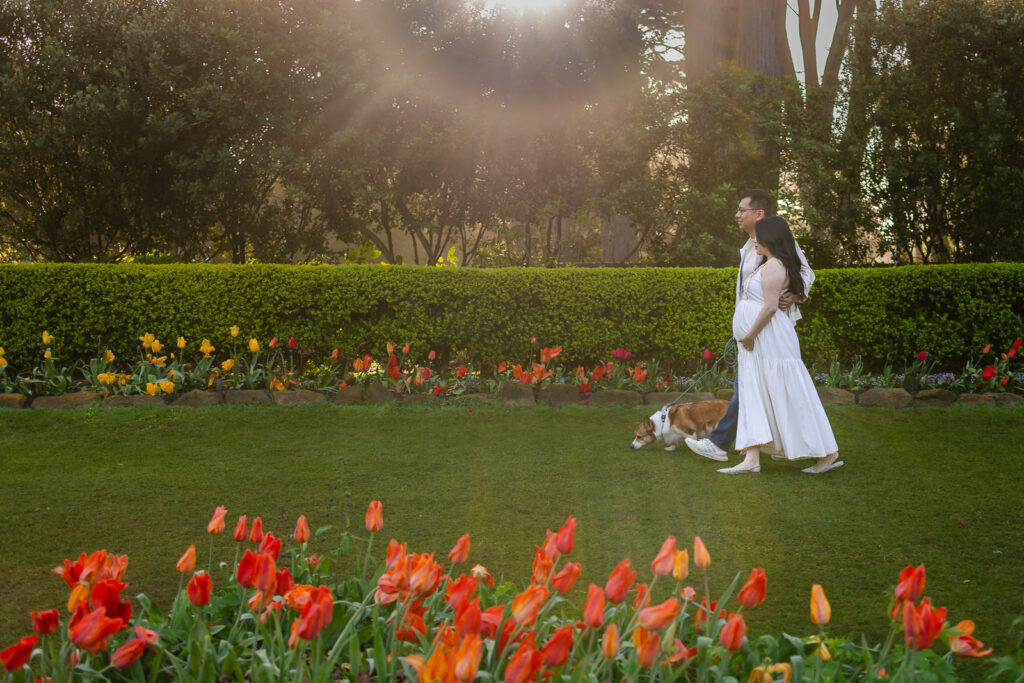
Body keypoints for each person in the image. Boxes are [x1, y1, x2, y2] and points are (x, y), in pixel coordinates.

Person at [683, 190, 816, 466]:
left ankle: (721, 444)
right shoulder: (748, 247)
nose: (737, 215)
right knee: (752, 388)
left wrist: (794, 296)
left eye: (742, 210)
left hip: (766, 332)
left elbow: (805, 274)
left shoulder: (780, 244)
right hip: (751, 332)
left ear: (759, 214)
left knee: (749, 388)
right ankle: (757, 447)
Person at [711, 215, 842, 474]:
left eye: (759, 236)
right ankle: (752, 458)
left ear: (771, 238)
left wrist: (749, 334)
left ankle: (827, 453)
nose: (755, 240)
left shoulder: (774, 266)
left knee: (790, 393)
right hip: (758, 343)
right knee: (753, 393)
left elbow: (771, 307)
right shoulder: (768, 263)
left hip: (768, 340)